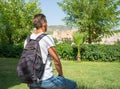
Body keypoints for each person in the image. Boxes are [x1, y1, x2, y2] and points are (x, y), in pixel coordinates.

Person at [24, 13, 77, 89]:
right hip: (46, 80)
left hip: (31, 81)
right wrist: (61, 75)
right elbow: (56, 60)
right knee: (73, 85)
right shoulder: (46, 37)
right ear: (44, 24)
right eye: (46, 22)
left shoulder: (28, 39)